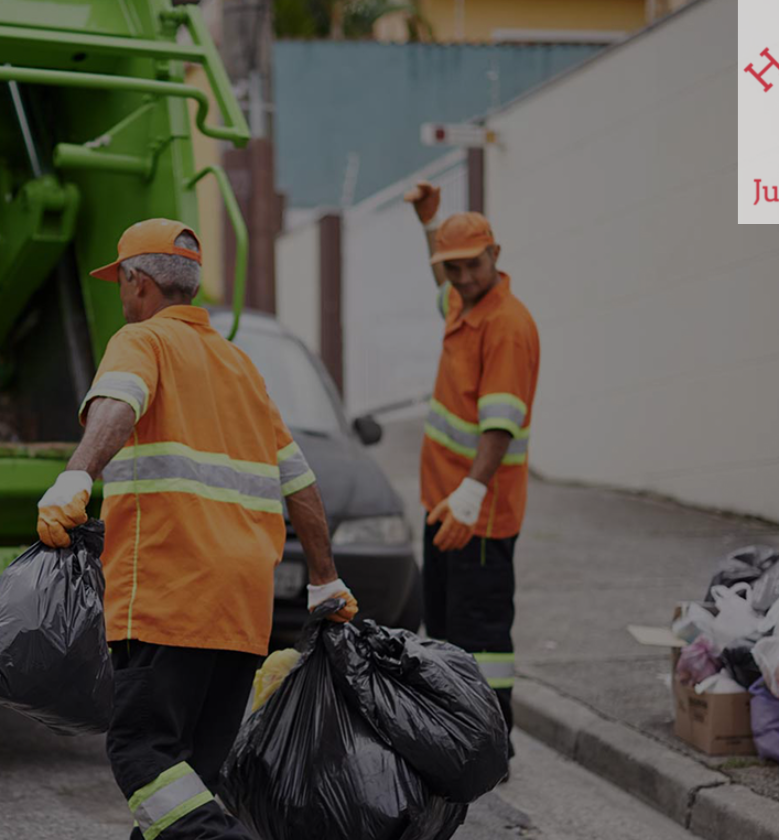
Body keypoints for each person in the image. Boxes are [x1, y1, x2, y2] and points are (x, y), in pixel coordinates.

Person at [35, 218, 358, 840]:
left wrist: (75, 478)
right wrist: (324, 579)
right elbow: (301, 482)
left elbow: (118, 404)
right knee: (191, 783)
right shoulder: (241, 367)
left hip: (168, 590)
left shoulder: (143, 341)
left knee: (143, 754)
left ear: (138, 282)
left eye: (121, 283)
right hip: (240, 608)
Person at [403, 182, 540, 749]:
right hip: (445, 506)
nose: (461, 277)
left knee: (482, 636)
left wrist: (469, 497)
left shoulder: (507, 326)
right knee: (447, 628)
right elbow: (444, 284)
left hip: (478, 516)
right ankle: (454, 732)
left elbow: (500, 426)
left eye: (471, 266)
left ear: (496, 256)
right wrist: (429, 224)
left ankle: (489, 744)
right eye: (453, 268)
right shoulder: (465, 304)